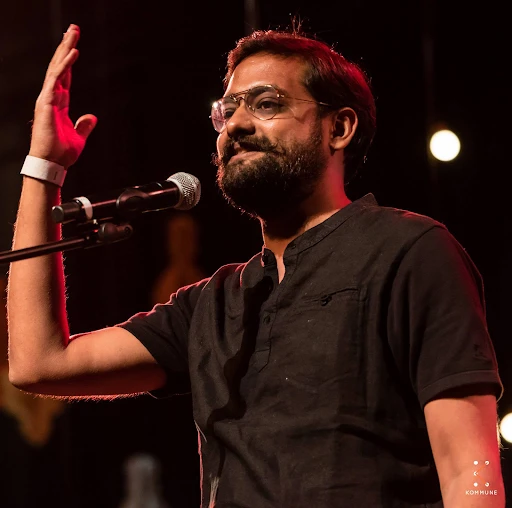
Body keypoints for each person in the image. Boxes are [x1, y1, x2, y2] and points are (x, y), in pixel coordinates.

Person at [6, 23, 505, 508]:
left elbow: (473, 469)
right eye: (226, 111)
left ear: (338, 128)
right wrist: (44, 167)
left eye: (266, 104)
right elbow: (39, 364)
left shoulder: (409, 250)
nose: (236, 125)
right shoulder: (210, 305)